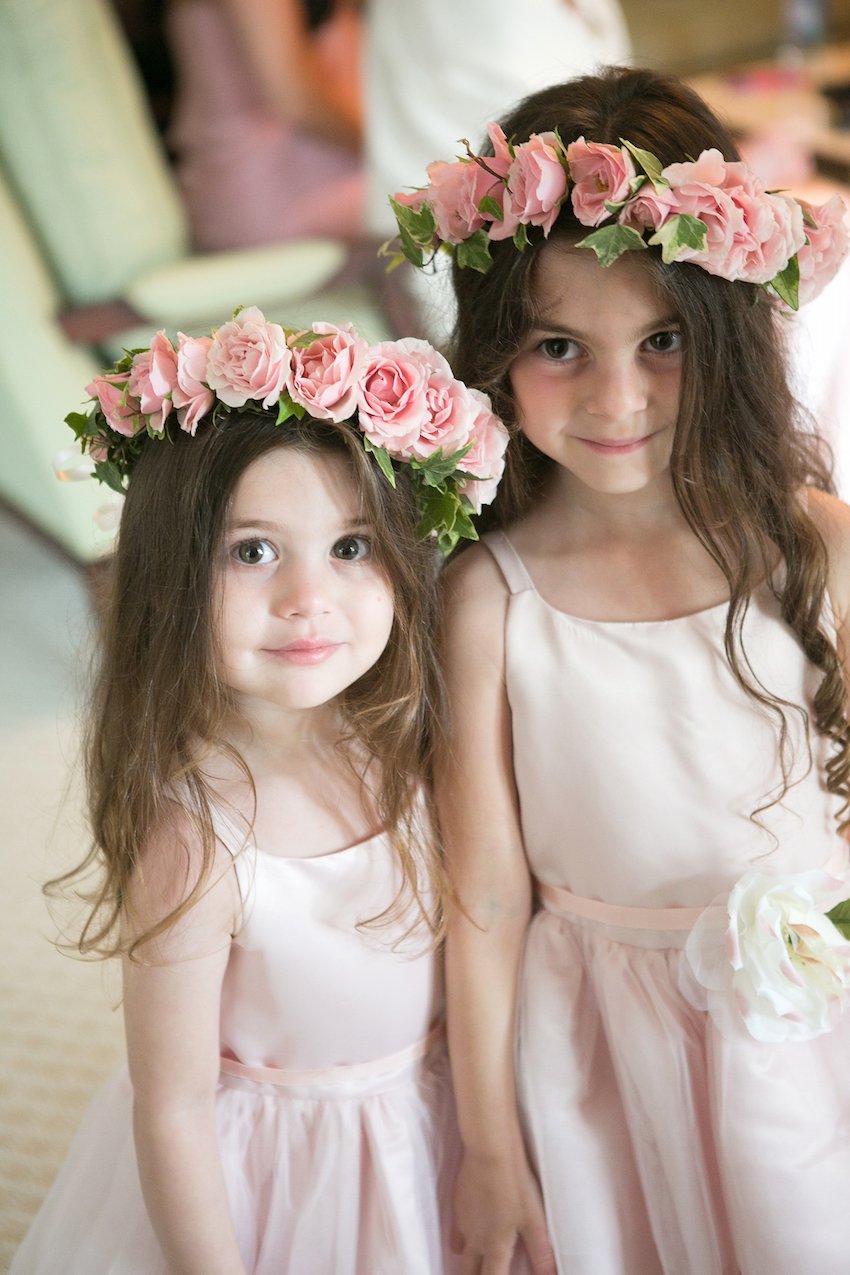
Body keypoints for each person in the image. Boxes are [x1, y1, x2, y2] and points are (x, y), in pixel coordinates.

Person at [389, 66, 850, 1274]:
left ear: (728, 332)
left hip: (809, 1020)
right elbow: (488, 899)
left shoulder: (818, 549)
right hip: (600, 1041)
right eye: (560, 347)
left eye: (662, 341)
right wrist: (491, 1145)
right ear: (497, 352)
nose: (618, 397)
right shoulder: (489, 597)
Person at [11, 307, 508, 1274]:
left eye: (350, 546)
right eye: (252, 551)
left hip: (425, 1132)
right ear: (171, 576)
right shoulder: (199, 834)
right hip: (277, 1180)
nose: (307, 599)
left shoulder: (411, 746)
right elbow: (173, 1104)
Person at [166, 0, 364, 250]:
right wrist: (387, 146)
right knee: (409, 203)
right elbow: (297, 103)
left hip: (294, 177)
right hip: (272, 190)